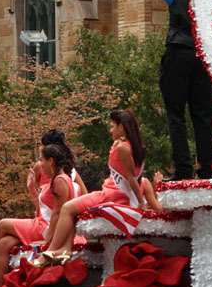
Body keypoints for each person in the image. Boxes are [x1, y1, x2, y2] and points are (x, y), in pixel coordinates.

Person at [115, 0, 212, 180]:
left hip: (178, 54)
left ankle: (183, 171)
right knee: (203, 115)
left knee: (175, 114)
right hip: (202, 58)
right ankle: (207, 170)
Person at [42, 109, 147, 255]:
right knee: (71, 209)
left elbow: (130, 178)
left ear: (121, 127)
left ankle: (52, 250)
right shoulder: (130, 146)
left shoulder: (123, 148)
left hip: (112, 195)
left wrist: (141, 203)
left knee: (67, 208)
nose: (110, 131)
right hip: (113, 193)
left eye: (112, 126)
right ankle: (65, 248)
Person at [0, 145, 76, 287]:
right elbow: (45, 208)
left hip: (45, 228)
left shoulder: (60, 180)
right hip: (43, 223)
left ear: (50, 161)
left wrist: (49, 241)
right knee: (4, 243)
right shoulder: (56, 179)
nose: (40, 165)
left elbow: (57, 214)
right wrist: (31, 189)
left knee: (3, 223)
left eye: (42, 161)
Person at [26, 130, 87, 207]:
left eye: (41, 145)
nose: (39, 148)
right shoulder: (39, 167)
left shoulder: (69, 170)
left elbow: (85, 196)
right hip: (46, 214)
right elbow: (41, 204)